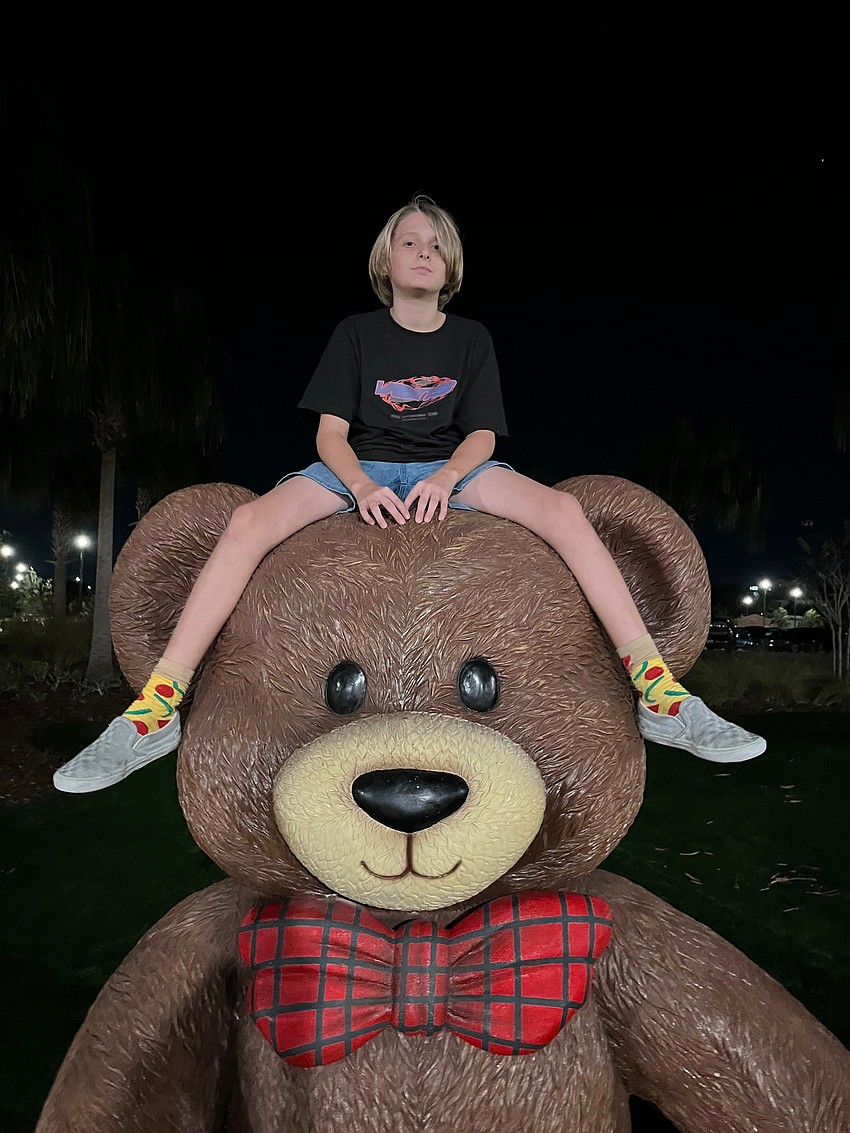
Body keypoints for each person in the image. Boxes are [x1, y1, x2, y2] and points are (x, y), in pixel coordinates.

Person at [53, 194, 765, 793]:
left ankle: (661, 694)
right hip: (359, 466)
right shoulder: (356, 335)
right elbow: (330, 434)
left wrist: (448, 477)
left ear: (450, 265)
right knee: (245, 522)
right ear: (385, 260)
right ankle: (155, 708)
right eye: (409, 241)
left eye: (436, 244)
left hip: (450, 467)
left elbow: (484, 436)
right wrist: (359, 485)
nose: (423, 252)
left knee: (565, 510)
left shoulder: (471, 339)